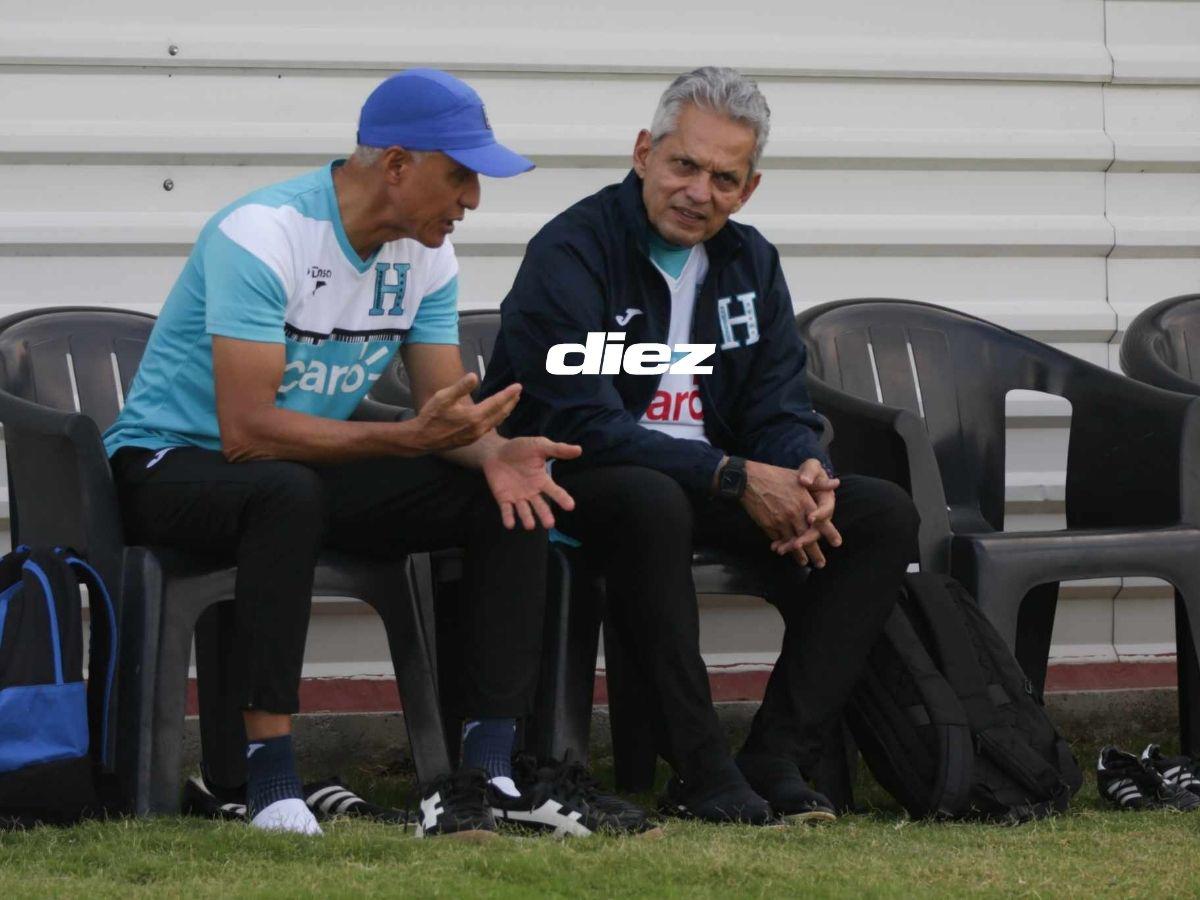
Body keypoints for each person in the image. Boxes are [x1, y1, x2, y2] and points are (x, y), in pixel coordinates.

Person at [103, 68, 650, 838]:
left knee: (511, 495)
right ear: (396, 165)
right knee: (284, 491)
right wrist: (406, 439)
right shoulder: (264, 233)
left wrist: (493, 452)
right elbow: (248, 431)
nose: (472, 200)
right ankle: (270, 782)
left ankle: (491, 771)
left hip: (301, 470)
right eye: (459, 176)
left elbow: (441, 409)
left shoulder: (425, 255)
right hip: (170, 463)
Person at [481, 66, 920, 825]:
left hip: (713, 480)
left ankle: (777, 753)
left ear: (748, 189)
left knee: (878, 513)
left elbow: (778, 402)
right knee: (652, 502)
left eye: (725, 178)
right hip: (581, 479)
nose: (699, 192)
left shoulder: (752, 263)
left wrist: (801, 469)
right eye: (685, 165)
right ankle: (700, 767)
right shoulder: (574, 251)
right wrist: (733, 474)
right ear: (645, 152)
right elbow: (578, 420)